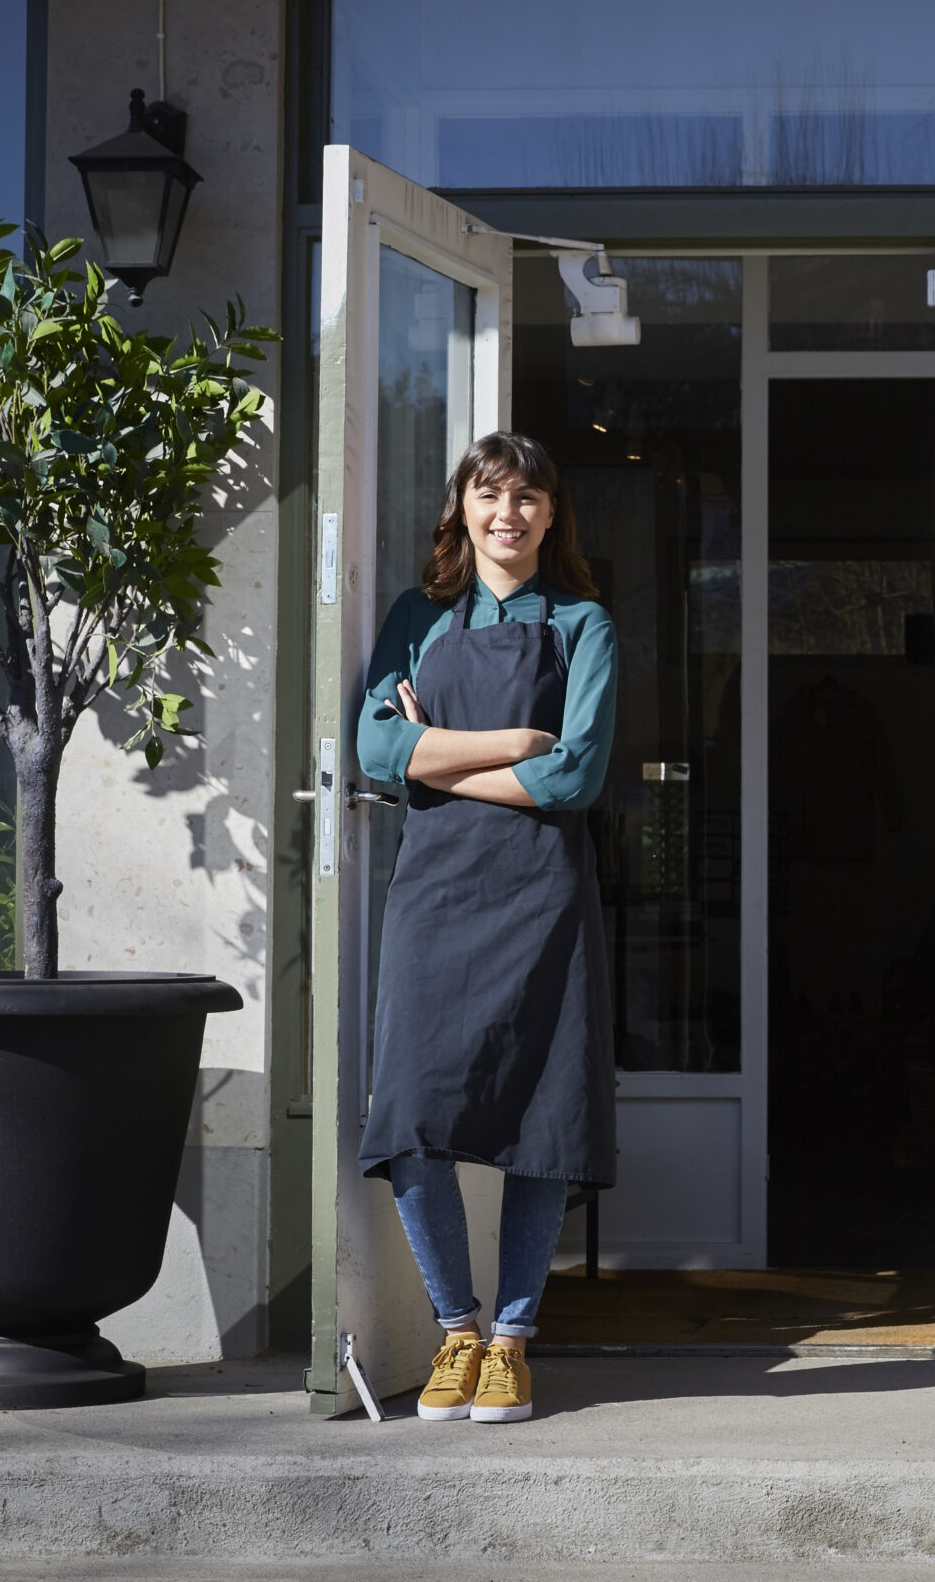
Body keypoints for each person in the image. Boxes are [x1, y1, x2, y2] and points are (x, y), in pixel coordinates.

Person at [354, 431, 618, 1423]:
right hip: (435, 896)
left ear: (551, 515)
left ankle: (510, 1341)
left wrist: (439, 757)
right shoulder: (414, 619)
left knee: (543, 1124)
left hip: (542, 897)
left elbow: (579, 775)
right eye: (488, 495)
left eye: (527, 498)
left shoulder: (583, 625)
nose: (507, 514)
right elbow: (376, 750)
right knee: (414, 1116)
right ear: (461, 509)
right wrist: (507, 743)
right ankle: (453, 1329)